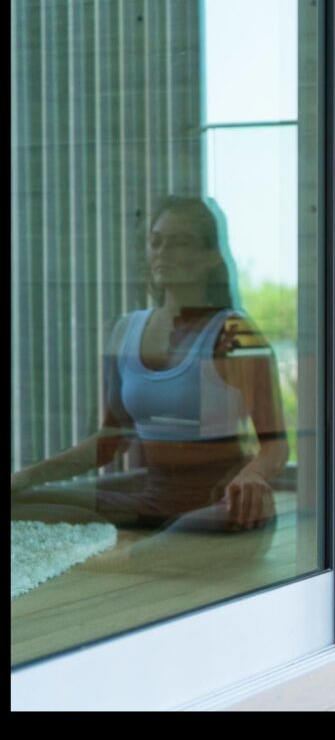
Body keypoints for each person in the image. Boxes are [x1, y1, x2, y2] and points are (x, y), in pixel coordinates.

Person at [10, 195, 290, 543]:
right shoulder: (125, 331)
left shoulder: (234, 333)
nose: (162, 252)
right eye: (156, 242)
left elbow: (276, 447)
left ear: (211, 256)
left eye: (180, 242)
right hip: (149, 503)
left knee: (147, 554)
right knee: (18, 505)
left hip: (221, 509)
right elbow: (110, 442)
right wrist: (26, 477)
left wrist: (252, 476)